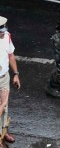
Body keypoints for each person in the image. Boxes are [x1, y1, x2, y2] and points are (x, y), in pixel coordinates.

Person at [0, 17, 20, 145]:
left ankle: (3, 131)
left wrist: (16, 74)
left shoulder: (6, 36)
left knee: (5, 107)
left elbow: (11, 55)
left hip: (4, 77)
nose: (3, 32)